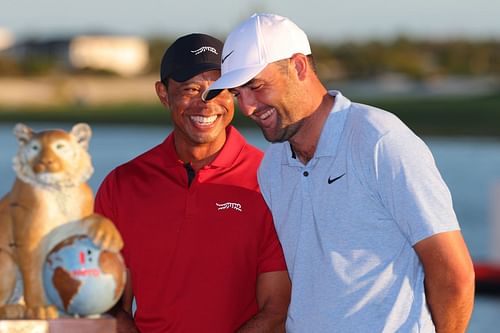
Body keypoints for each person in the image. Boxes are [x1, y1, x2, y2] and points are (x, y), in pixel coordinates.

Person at [203, 13, 475, 333]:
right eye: (238, 94)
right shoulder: (272, 168)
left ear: (299, 67)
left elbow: (454, 273)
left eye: (256, 86)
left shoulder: (380, 141)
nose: (247, 107)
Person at [94, 33, 291, 333]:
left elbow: (276, 309)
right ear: (163, 94)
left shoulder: (270, 179)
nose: (206, 103)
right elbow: (110, 303)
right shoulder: (122, 184)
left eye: (219, 89)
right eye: (191, 89)